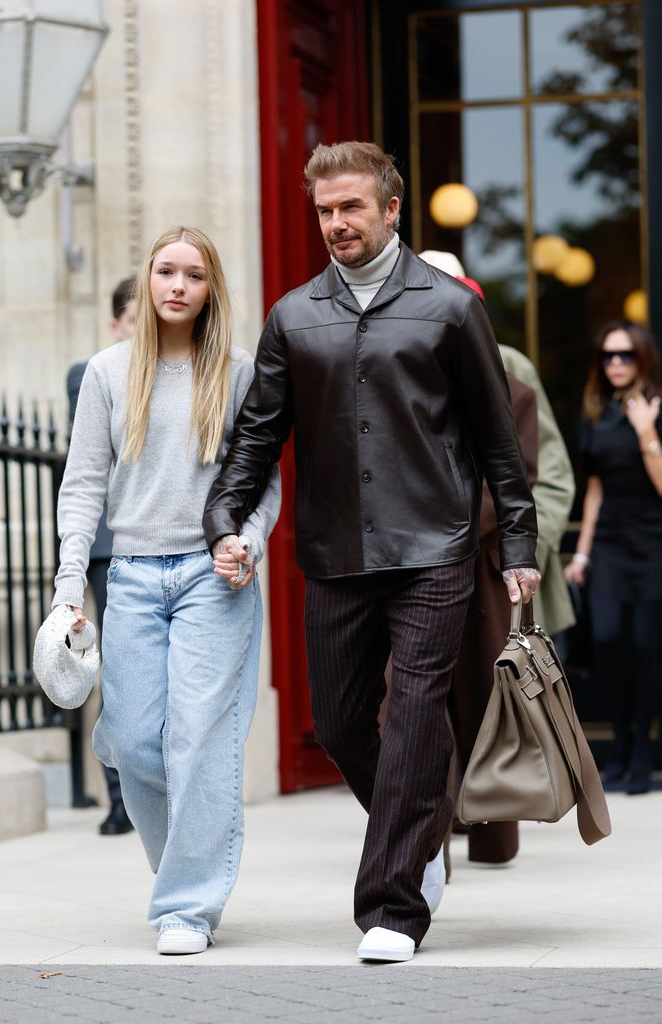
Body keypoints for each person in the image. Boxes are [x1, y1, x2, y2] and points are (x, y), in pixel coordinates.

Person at [203, 141, 539, 962]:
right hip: (336, 552)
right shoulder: (293, 315)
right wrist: (223, 516)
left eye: (352, 207)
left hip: (435, 546)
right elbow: (256, 435)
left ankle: (392, 906)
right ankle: (420, 835)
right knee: (342, 722)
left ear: (392, 210)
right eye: (324, 210)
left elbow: (499, 440)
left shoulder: (451, 309)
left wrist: (518, 545)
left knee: (418, 708)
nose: (336, 223)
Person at [52, 226, 281, 955]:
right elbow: (83, 482)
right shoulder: (108, 372)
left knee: (200, 742)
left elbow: (264, 481)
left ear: (212, 289)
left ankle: (184, 907)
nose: (178, 285)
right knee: (138, 745)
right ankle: (184, 870)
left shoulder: (240, 374)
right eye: (165, 272)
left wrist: (250, 540)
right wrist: (66, 586)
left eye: (194, 275)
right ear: (147, 281)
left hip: (213, 579)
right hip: (133, 576)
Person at [417, 258, 576, 867]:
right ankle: (430, 830)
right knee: (414, 698)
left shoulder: (513, 382)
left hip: (484, 564)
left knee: (488, 698)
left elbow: (522, 478)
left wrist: (528, 550)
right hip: (415, 564)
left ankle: (492, 831)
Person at [565, 320, 662, 796]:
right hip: (608, 545)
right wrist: (581, 554)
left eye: (625, 355)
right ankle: (619, 751)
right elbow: (595, 489)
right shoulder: (595, 411)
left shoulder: (655, 408)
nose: (616, 364)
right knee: (607, 644)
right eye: (608, 356)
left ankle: (643, 755)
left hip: (653, 543)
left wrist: (647, 433)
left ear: (642, 358)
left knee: (645, 650)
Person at [66, 276, 137, 836]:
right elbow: (91, 466)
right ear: (117, 322)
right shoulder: (92, 374)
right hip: (108, 551)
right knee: (114, 668)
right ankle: (118, 796)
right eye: (135, 320)